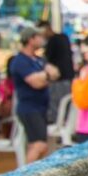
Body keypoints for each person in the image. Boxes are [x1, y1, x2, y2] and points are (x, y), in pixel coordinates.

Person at [8, 27, 60, 163]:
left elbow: (55, 73)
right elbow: (35, 82)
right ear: (31, 39)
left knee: (38, 145)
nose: (42, 40)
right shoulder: (20, 61)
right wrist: (46, 75)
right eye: (39, 36)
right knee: (39, 145)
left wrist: (44, 76)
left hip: (40, 108)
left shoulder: (38, 59)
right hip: (29, 109)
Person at [39, 20, 74, 124]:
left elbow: (47, 60)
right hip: (69, 78)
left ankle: (58, 126)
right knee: (67, 106)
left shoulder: (52, 41)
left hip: (59, 80)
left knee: (58, 108)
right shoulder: (64, 37)